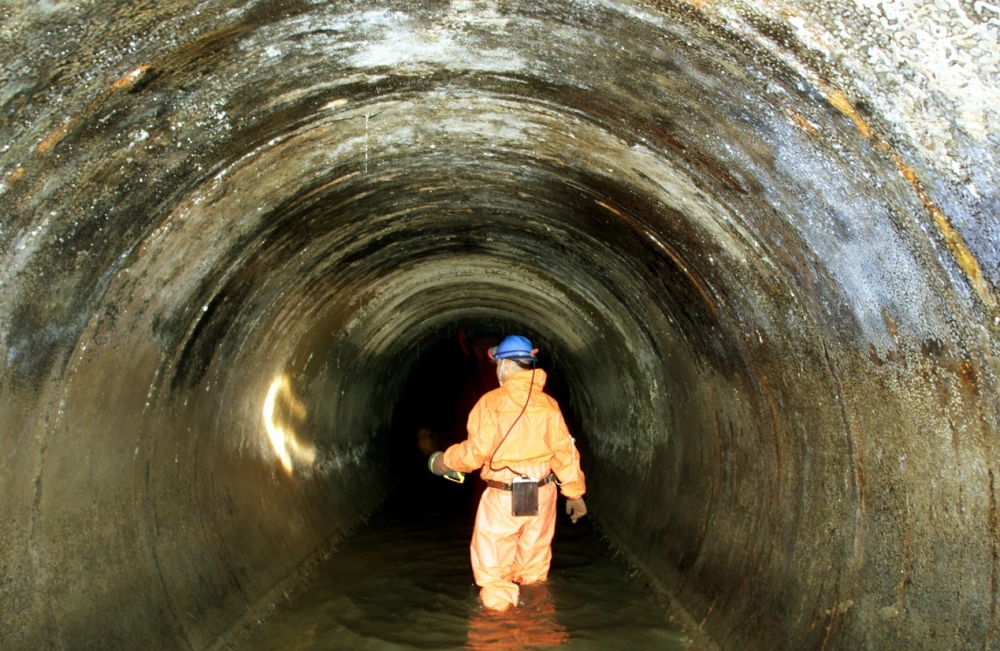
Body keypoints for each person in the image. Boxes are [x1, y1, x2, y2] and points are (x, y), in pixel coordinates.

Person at [429, 335, 587, 611]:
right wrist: (575, 494)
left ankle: (498, 631)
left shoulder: (491, 403)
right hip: (543, 494)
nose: (497, 370)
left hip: (505, 497)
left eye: (498, 363)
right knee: (535, 566)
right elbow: (566, 453)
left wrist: (445, 460)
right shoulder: (549, 405)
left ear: (506, 364)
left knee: (494, 572)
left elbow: (476, 452)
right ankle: (537, 623)